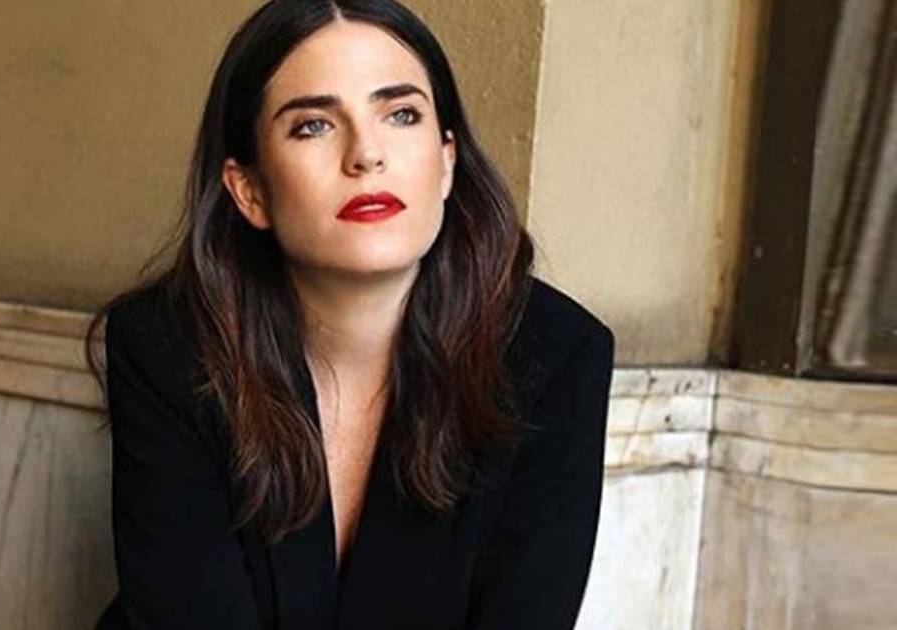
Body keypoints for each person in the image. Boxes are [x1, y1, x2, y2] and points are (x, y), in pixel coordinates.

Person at [85, 1, 615, 628]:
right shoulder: (167, 346)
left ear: (446, 161)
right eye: (313, 125)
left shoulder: (554, 355)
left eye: (401, 114)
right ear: (249, 190)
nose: (366, 154)